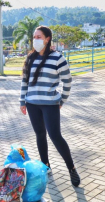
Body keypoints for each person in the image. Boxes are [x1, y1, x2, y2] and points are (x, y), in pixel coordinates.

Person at [20, 25, 80, 187]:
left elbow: (67, 81)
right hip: (32, 104)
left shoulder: (57, 58)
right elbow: (24, 81)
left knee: (55, 136)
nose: (35, 40)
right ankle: (45, 166)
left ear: (47, 39)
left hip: (50, 104)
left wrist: (62, 100)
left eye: (39, 37)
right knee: (40, 134)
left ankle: (71, 168)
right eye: (34, 37)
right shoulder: (30, 58)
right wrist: (22, 101)